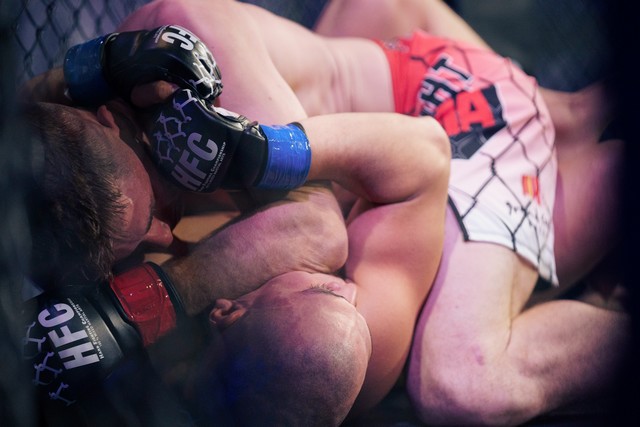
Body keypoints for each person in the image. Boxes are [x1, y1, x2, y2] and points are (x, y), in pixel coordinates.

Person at [25, 0, 628, 423]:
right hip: (408, 88)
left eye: (152, 207)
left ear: (110, 119)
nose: (162, 233)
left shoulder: (191, 57)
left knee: (464, 379)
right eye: (132, 247)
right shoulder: (337, 341)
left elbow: (316, 227)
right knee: (573, 131)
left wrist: (138, 305)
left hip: (452, 110)